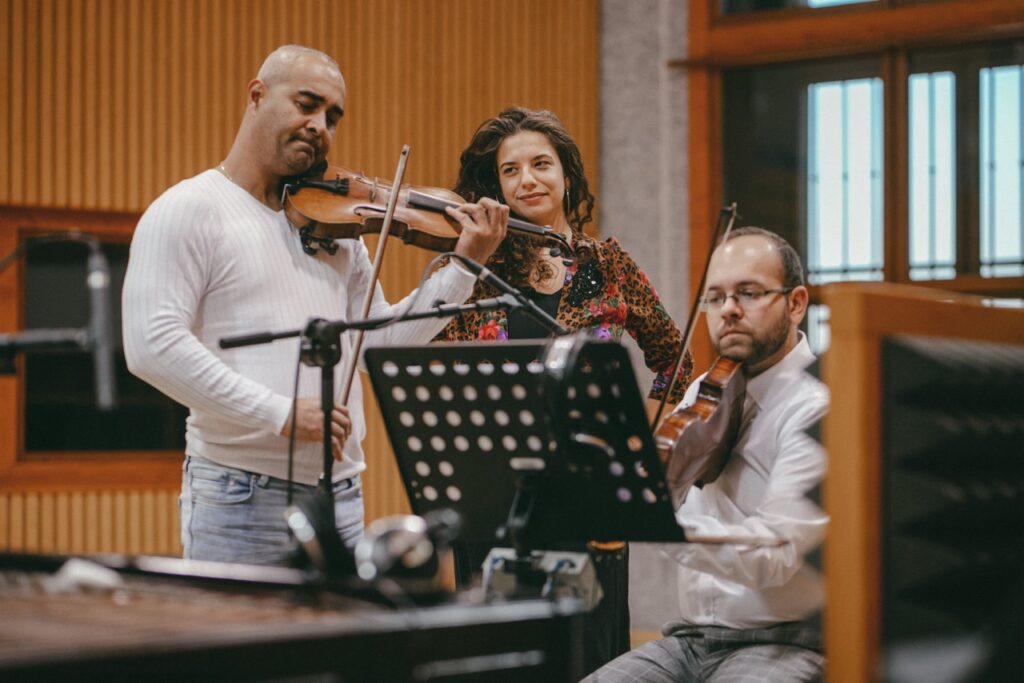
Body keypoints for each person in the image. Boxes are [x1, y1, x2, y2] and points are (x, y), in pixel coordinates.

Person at [122, 45, 507, 567]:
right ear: (257, 96)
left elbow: (377, 344)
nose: (319, 126)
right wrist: (279, 414)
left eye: (332, 116)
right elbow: (152, 347)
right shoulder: (188, 209)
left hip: (340, 493)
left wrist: (462, 269)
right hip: (240, 495)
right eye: (306, 104)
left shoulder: (336, 227)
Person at [435, 106, 692, 676]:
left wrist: (637, 441)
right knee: (497, 660)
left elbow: (675, 360)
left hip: (589, 491)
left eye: (541, 164)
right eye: (510, 170)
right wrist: (465, 257)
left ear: (566, 176)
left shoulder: (609, 263)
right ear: (494, 185)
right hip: (495, 491)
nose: (527, 179)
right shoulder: (473, 267)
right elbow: (431, 349)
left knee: (590, 657)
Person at [585, 226, 829, 682]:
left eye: (749, 293)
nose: (729, 310)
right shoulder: (704, 390)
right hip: (691, 640)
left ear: (796, 303)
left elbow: (775, 553)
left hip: (788, 641)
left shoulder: (818, 406)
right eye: (715, 299)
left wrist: (653, 518)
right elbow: (663, 483)